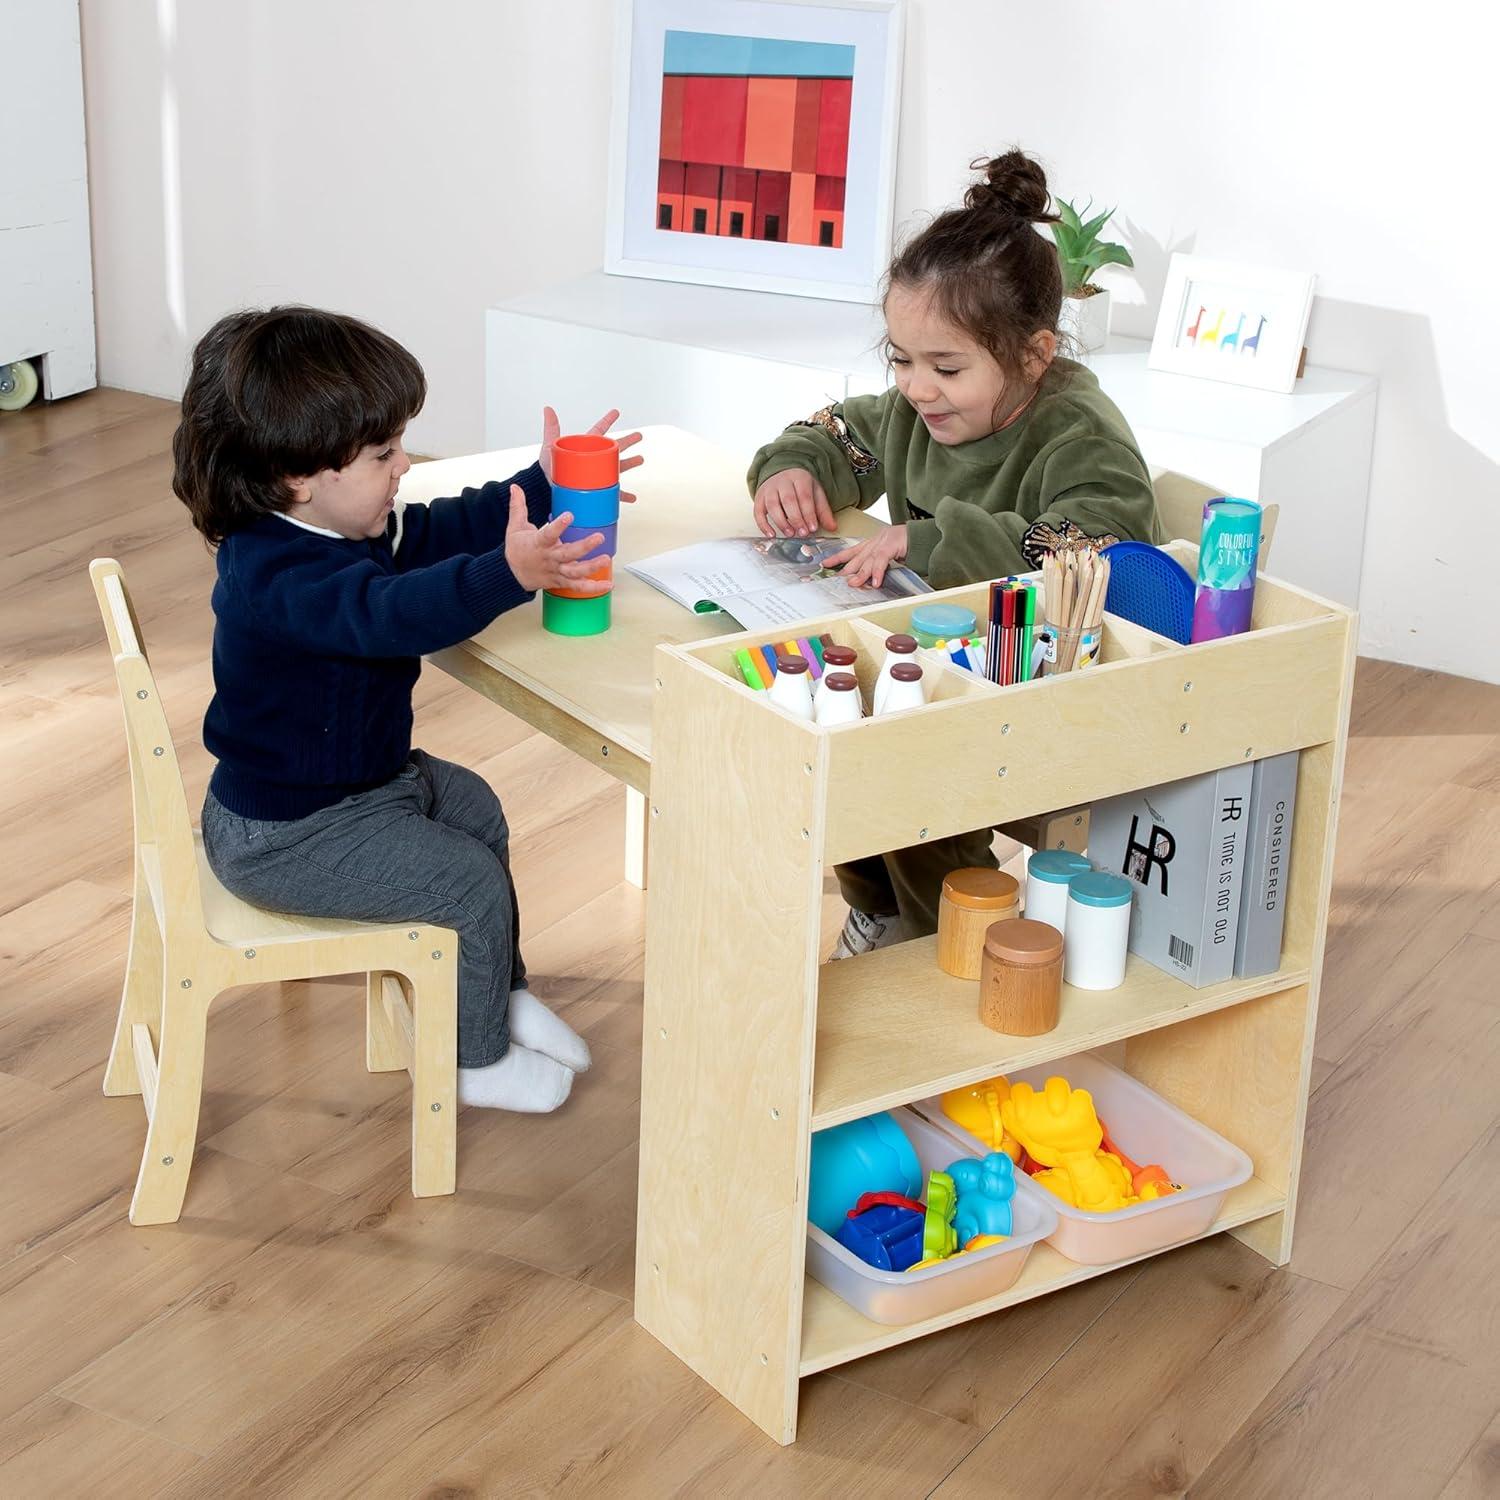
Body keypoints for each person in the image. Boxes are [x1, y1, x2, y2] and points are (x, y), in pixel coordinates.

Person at [175, 305, 640, 1108]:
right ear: (299, 477)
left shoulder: (350, 527)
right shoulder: (275, 573)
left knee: (477, 813)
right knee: (465, 885)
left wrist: (541, 483)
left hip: (362, 786)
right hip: (285, 832)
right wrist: (509, 575)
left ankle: (498, 992)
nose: (403, 465)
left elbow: (437, 531)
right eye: (383, 452)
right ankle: (473, 1061)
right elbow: (391, 613)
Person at [747, 149, 1160, 956]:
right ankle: (886, 909)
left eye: (946, 367)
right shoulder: (914, 411)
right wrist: (794, 469)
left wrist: (931, 539)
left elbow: (1104, 535)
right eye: (899, 359)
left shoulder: (1074, 427)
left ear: (1034, 356)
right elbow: (843, 432)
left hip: (1040, 693)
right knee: (831, 727)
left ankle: (949, 941)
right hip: (941, 665)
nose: (916, 388)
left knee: (908, 767)